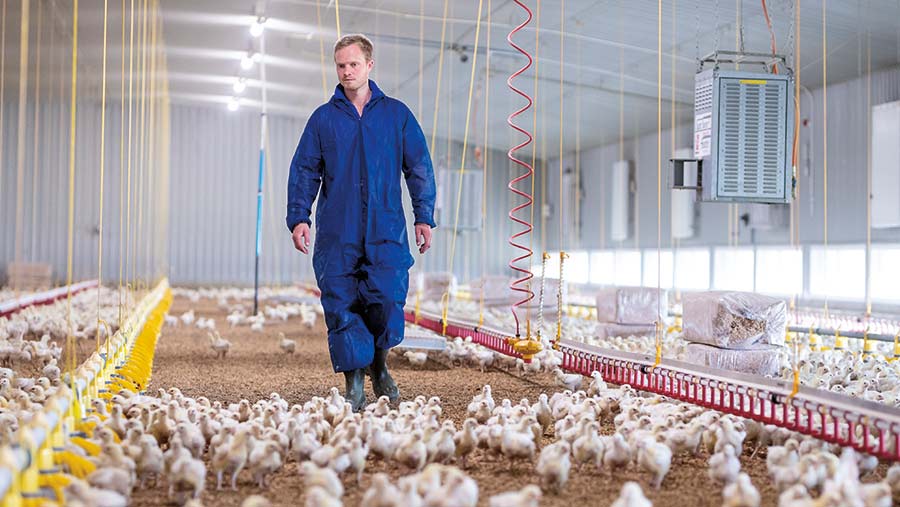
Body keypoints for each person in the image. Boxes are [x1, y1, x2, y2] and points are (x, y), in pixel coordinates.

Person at [286, 34, 436, 412]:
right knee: (341, 300)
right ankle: (354, 381)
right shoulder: (323, 119)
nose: (347, 71)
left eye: (353, 64)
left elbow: (418, 168)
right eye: (341, 65)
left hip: (386, 227)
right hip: (338, 230)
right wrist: (298, 218)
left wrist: (424, 216)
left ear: (370, 65)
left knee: (386, 297)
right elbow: (305, 170)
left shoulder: (396, 115)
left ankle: (380, 365)